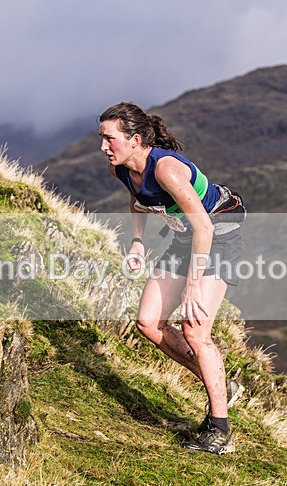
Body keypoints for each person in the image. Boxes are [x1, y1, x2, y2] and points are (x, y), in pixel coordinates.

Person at [98, 102, 245, 454]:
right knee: (149, 322)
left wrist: (194, 284)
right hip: (186, 236)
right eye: (101, 138)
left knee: (195, 330)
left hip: (218, 231)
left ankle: (219, 430)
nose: (103, 147)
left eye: (109, 139)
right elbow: (138, 201)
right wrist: (137, 242)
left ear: (135, 139)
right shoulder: (121, 168)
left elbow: (205, 227)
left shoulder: (167, 170)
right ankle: (220, 386)